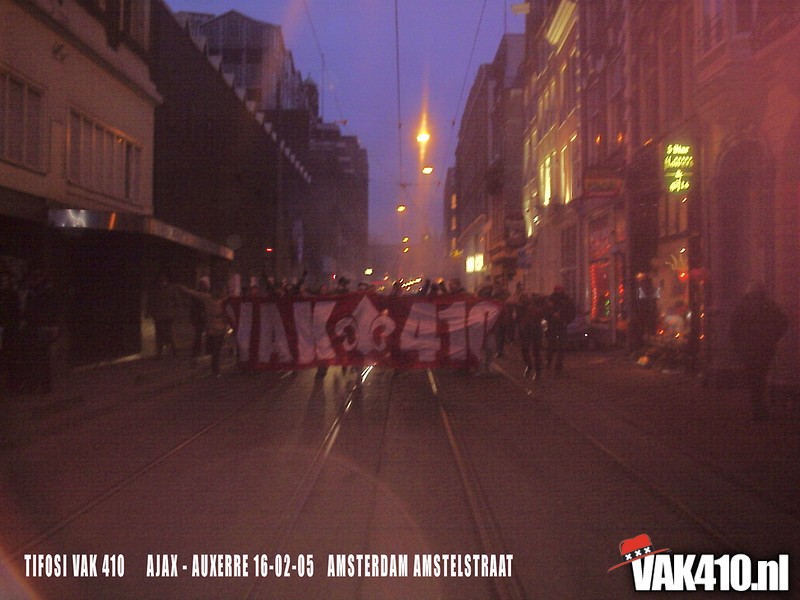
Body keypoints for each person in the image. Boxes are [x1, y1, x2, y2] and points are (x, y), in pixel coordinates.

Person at [730, 282, 789, 420]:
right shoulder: (770, 305)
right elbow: (783, 321)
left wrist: (738, 344)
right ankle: (760, 407)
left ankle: (756, 407)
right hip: (765, 347)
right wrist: (773, 337)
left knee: (752, 377)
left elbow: (734, 327)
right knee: (761, 376)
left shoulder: (743, 306)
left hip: (748, 347)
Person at [179, 282, 230, 377]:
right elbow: (195, 293)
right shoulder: (208, 298)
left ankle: (215, 369)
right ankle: (214, 368)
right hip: (211, 327)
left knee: (217, 349)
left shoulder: (225, 300)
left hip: (221, 327)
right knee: (214, 349)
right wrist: (184, 289)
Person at [147, 273, 181, 358]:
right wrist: (149, 312)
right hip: (159, 314)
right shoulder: (156, 289)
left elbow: (177, 301)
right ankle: (161, 352)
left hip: (167, 314)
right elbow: (151, 301)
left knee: (168, 333)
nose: (162, 279)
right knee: (160, 333)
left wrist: (175, 311)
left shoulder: (170, 288)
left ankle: (173, 351)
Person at [545, 285, 576, 374]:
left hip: (558, 325)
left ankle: (554, 364)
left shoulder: (563, 300)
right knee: (554, 346)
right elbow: (546, 312)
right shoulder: (554, 299)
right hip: (556, 325)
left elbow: (571, 312)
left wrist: (565, 319)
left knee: (556, 346)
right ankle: (553, 364)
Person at [516, 293, 546, 380]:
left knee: (536, 351)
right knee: (524, 350)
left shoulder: (537, 307)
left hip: (535, 329)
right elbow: (517, 319)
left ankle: (538, 372)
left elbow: (541, 315)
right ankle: (529, 365)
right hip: (525, 330)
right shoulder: (520, 308)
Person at [190, 277, 210, 358]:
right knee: (198, 335)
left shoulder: (207, 294)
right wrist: (193, 318)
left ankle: (207, 350)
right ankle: (196, 351)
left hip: (207, 317)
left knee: (208, 334)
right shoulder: (197, 295)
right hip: (199, 317)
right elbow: (193, 307)